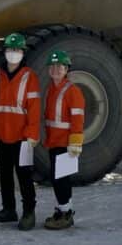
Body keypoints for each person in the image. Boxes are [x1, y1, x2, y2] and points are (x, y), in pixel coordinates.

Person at [0, 32, 41, 231]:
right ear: (5, 52)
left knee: (24, 176)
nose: (14, 53)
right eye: (11, 49)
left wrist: (32, 134)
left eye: (17, 50)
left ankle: (29, 212)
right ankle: (9, 209)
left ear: (23, 53)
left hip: (22, 137)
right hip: (1, 134)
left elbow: (34, 108)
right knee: (5, 175)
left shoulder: (29, 77)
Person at [42, 50, 85, 230]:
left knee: (61, 179)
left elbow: (77, 117)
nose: (55, 69)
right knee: (57, 178)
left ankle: (66, 214)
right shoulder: (51, 89)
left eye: (59, 66)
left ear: (66, 69)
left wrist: (75, 142)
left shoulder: (72, 91)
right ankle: (62, 210)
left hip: (65, 144)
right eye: (52, 66)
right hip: (54, 141)